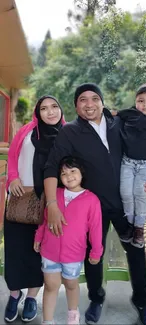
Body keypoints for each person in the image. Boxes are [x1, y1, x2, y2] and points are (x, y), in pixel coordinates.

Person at [43, 83, 146, 325]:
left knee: (136, 252)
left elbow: (144, 146)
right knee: (93, 254)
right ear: (76, 105)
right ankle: (96, 298)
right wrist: (52, 203)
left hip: (125, 204)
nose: (90, 103)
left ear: (102, 101)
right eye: (83, 99)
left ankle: (142, 301)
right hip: (93, 207)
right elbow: (52, 166)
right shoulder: (70, 131)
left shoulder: (119, 122)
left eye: (95, 98)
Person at [4, 95, 65, 323]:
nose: (50, 112)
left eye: (54, 107)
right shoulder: (27, 131)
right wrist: (12, 178)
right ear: (37, 113)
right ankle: (14, 294)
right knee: (15, 249)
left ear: (60, 109)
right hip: (21, 198)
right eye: (44, 108)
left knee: (40, 252)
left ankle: (31, 297)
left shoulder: (68, 134)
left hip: (51, 203)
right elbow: (12, 155)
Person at [34, 156, 103, 325]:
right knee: (50, 285)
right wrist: (38, 237)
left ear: (82, 174)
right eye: (63, 173)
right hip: (49, 251)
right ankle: (47, 321)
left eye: (73, 171)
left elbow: (95, 228)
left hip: (74, 254)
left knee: (71, 284)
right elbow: (45, 219)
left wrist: (96, 251)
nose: (69, 176)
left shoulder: (91, 199)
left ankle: (73, 314)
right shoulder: (54, 195)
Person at [119, 83, 146, 248]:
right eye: (141, 100)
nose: (145, 104)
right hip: (128, 162)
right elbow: (116, 114)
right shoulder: (131, 114)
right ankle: (131, 224)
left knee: (139, 193)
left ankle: (139, 227)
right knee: (125, 192)